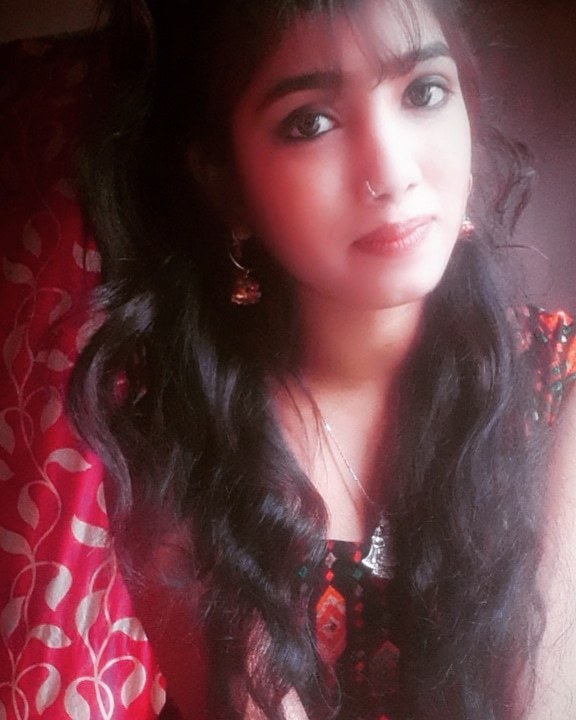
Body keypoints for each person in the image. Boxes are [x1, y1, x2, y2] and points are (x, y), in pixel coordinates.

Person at [66, 0, 576, 718]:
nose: (391, 172)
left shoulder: (557, 380)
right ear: (224, 182)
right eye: (310, 121)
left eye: (424, 91)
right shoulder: (181, 431)